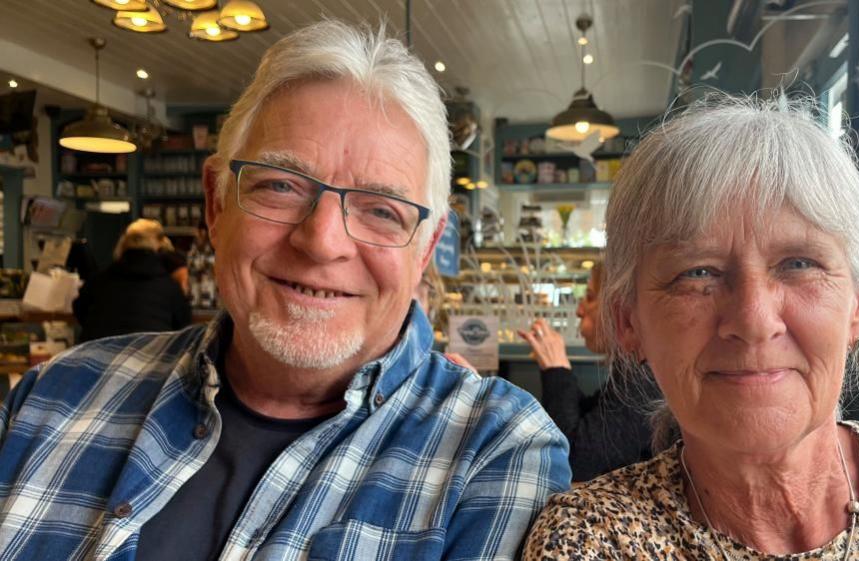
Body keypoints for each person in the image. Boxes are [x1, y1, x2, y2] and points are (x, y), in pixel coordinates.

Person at [0, 20, 569, 561]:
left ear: (425, 248)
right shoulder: (52, 396)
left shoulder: (493, 449)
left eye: (381, 210)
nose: (322, 242)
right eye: (280, 186)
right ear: (216, 203)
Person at [524, 94, 859, 559]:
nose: (753, 321)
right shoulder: (588, 540)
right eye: (698, 273)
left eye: (799, 263)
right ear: (629, 323)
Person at [517, 262, 663, 481]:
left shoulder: (645, 377)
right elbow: (586, 418)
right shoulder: (634, 370)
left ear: (620, 310)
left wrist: (556, 368)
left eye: (590, 297)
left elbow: (573, 460)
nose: (579, 310)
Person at [72, 218, 192, 342]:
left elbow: (79, 309)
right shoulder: (168, 286)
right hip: (149, 354)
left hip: (96, 354)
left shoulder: (101, 280)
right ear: (158, 246)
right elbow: (183, 324)